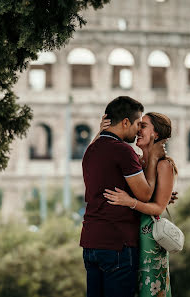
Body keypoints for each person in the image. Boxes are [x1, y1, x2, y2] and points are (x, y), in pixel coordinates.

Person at [80, 96, 167, 297]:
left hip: (91, 242)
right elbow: (144, 194)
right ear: (126, 122)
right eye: (138, 124)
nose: (138, 129)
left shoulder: (91, 150)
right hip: (117, 243)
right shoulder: (123, 151)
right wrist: (152, 159)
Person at [103, 112, 178, 297]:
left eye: (143, 126)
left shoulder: (164, 165)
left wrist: (130, 202)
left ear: (156, 134)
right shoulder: (136, 161)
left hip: (149, 238)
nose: (138, 130)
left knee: (149, 290)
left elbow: (158, 208)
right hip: (129, 236)